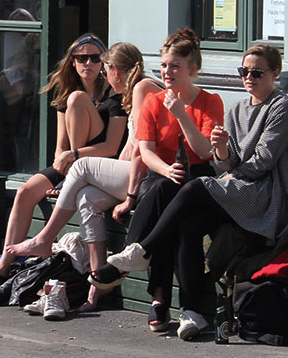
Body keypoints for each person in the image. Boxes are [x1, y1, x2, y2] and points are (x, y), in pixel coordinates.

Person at [92, 42, 287, 340]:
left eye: (257, 73)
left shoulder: (282, 107)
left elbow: (261, 163)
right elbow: (223, 161)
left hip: (265, 196)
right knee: (185, 222)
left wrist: (223, 165)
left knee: (193, 185)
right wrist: (223, 151)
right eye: (244, 71)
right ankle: (190, 311)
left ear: (275, 73)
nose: (249, 78)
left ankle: (140, 251)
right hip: (232, 188)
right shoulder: (237, 108)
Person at [2, 42, 163, 310]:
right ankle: (97, 286)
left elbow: (141, 150)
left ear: (115, 70)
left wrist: (130, 197)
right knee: (87, 198)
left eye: (105, 70)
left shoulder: (142, 88)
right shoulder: (132, 92)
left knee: (81, 167)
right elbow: (130, 147)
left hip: (151, 177)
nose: (105, 77)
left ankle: (44, 239)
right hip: (137, 173)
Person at [85, 27, 223, 332]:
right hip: (163, 175)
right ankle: (179, 306)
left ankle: (138, 256)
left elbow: (205, 151)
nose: (167, 72)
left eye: (175, 66)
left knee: (177, 211)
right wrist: (166, 169)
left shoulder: (210, 101)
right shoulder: (152, 101)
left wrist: (182, 114)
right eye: (163, 65)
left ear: (192, 70)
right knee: (167, 198)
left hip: (199, 180)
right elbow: (145, 152)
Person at [0, 34, 124, 293]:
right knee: (24, 192)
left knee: (78, 99)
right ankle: (3, 269)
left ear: (104, 62)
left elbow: (111, 147)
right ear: (73, 62)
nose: (88, 63)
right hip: (71, 162)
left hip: (99, 163)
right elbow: (60, 148)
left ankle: (71, 182)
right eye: (81, 58)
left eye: (95, 58)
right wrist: (64, 165)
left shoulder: (114, 96)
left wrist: (73, 158)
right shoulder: (66, 95)